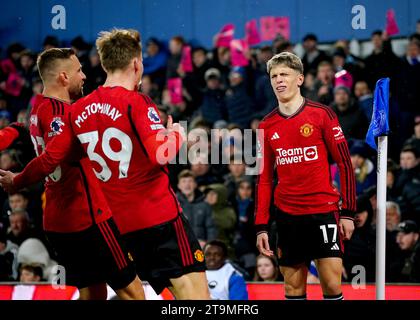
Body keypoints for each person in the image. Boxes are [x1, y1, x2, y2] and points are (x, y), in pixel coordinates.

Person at [1, 30, 209, 299]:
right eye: (78, 70)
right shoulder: (137, 101)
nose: (83, 75)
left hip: (120, 225)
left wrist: (10, 141)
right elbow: (162, 154)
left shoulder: (74, 110)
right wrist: (178, 133)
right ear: (136, 64)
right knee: (192, 298)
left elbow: (51, 149)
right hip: (150, 217)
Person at [0, 48, 144, 300]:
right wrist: (18, 180)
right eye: (79, 70)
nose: (85, 76)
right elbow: (52, 156)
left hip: (58, 224)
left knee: (92, 292)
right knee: (133, 293)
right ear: (64, 77)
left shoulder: (38, 108)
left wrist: (7, 134)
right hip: (88, 219)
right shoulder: (61, 112)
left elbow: (26, 130)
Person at [255, 52, 356, 300]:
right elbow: (263, 178)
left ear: (299, 79)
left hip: (323, 211)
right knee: (292, 289)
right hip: (287, 216)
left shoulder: (323, 114)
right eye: (274, 76)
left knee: (332, 286)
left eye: (284, 74)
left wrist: (348, 212)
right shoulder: (265, 126)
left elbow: (345, 164)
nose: (279, 80)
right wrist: (261, 226)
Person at [176, 169, 217, 248]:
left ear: (195, 184)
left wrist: (209, 245)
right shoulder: (173, 205)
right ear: (179, 185)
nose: (187, 184)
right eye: (184, 181)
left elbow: (211, 228)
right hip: (181, 247)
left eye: (190, 181)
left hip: (201, 246)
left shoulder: (205, 205)